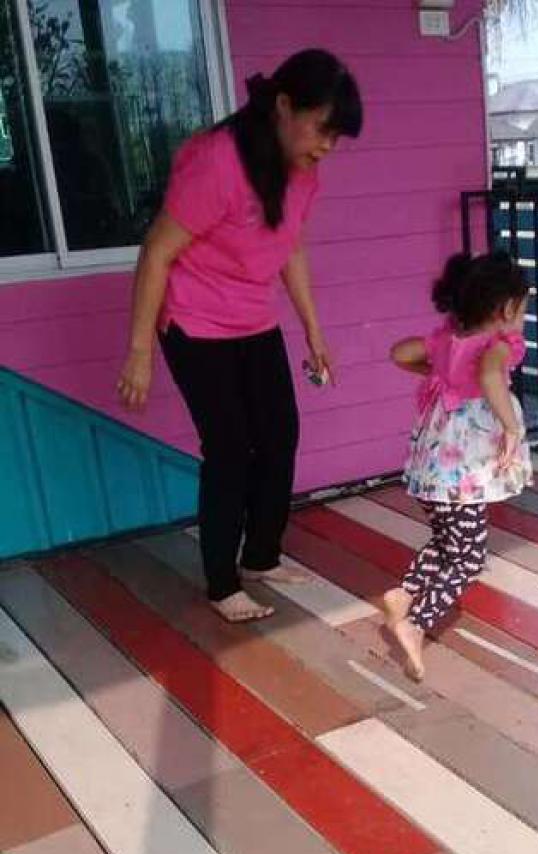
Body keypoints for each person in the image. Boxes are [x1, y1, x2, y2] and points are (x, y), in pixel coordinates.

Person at [117, 50, 363, 622]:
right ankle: (222, 583)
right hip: (195, 322)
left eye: (336, 137)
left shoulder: (303, 171)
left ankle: (260, 557)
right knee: (229, 448)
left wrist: (313, 330)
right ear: (284, 106)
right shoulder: (218, 162)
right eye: (322, 129)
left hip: (253, 317)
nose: (328, 146)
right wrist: (139, 353)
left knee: (279, 434)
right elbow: (157, 251)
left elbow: (289, 245)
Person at [382, 250, 533, 681]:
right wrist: (511, 428)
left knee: (447, 541)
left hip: (431, 470)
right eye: (523, 309)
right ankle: (416, 623)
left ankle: (403, 594)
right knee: (468, 559)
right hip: (462, 473)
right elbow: (489, 376)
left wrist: (440, 373)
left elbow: (399, 353)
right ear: (507, 308)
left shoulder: (447, 340)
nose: (523, 318)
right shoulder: (498, 345)